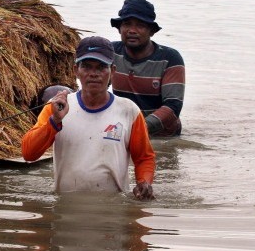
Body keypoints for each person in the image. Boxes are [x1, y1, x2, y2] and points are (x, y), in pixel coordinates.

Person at [21, 36, 156, 200]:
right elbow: (28, 154)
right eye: (86, 67)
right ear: (76, 70)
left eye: (101, 67)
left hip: (114, 210)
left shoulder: (128, 110)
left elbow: (144, 158)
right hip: (65, 209)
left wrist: (144, 182)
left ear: (112, 71)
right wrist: (55, 121)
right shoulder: (57, 107)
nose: (93, 74)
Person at [110, 0, 185, 137]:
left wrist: (140, 128)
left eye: (140, 25)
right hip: (123, 130)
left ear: (151, 31)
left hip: (161, 135)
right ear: (119, 28)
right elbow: (94, 86)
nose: (132, 30)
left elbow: (173, 106)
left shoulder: (170, 59)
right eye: (127, 24)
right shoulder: (111, 52)